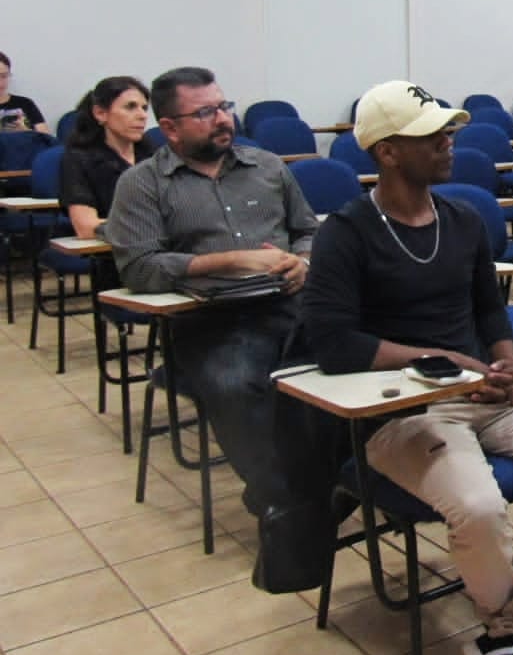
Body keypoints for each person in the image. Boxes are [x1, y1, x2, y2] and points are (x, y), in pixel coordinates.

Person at [303, 80, 513, 655]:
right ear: (387, 151)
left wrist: (503, 358)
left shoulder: (459, 220)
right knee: (480, 508)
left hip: (485, 392)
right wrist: (441, 364)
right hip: (400, 409)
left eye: (448, 132)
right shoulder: (345, 233)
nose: (449, 143)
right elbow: (333, 343)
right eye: (433, 137)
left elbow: (488, 308)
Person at [104, 66, 330, 590]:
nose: (222, 119)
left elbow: (308, 231)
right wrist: (227, 261)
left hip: (289, 305)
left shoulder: (268, 166)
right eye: (205, 113)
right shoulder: (141, 184)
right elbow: (138, 267)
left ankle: (334, 481)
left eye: (224, 106)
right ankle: (283, 503)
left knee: (354, 360)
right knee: (235, 383)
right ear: (171, 126)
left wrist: (303, 260)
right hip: (210, 321)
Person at [59, 76, 156, 281]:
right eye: (130, 107)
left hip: (163, 251)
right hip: (115, 257)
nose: (141, 115)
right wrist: (150, 225)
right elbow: (86, 227)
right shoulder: (78, 159)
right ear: (100, 113)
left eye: (144, 108)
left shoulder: (153, 155)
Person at [0, 51, 50, 134]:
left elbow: (47, 138)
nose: (1, 83)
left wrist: (26, 132)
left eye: (4, 76)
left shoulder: (25, 103)